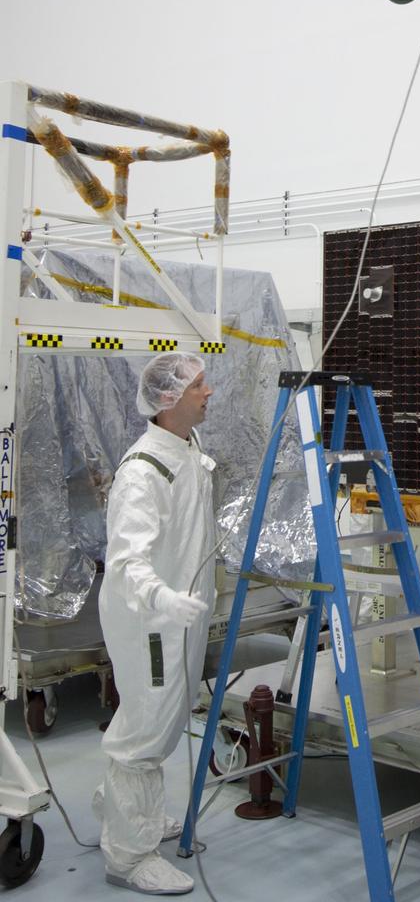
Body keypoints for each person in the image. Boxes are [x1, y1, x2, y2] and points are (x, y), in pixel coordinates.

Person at [97, 353, 216, 896]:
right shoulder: (143, 472)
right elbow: (125, 562)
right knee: (144, 730)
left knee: (164, 719)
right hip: (151, 619)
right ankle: (129, 855)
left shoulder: (186, 449)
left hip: (179, 617)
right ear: (170, 400)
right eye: (198, 385)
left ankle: (128, 808)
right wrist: (164, 599)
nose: (208, 391)